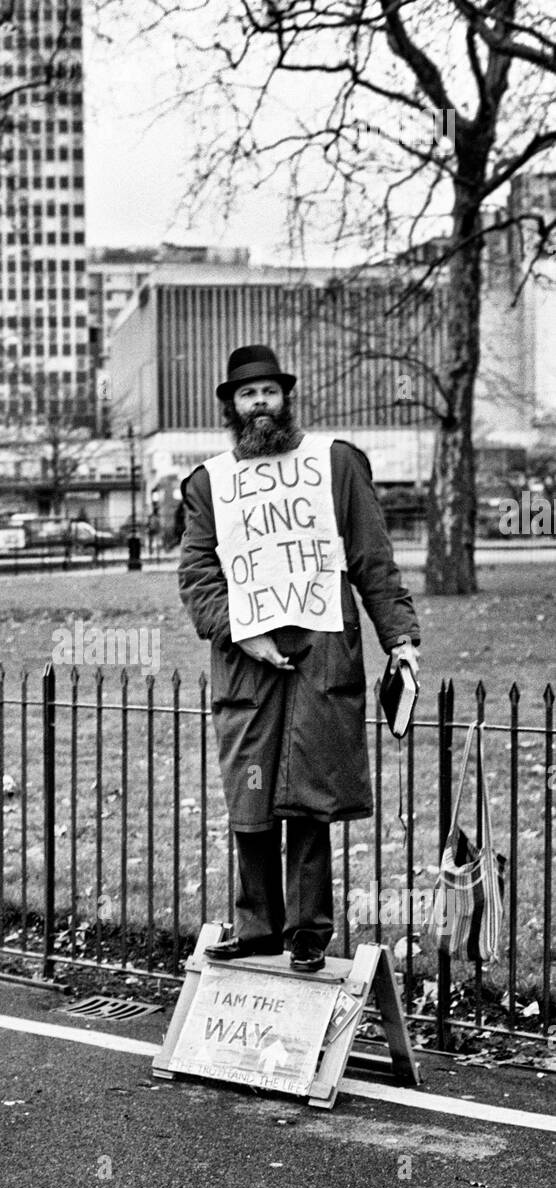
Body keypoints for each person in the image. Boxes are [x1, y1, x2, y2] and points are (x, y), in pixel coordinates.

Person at [178, 345, 420, 973]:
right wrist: (238, 630)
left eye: (269, 392)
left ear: (286, 398)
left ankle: (308, 930)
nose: (259, 403)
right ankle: (257, 925)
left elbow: (372, 557)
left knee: (309, 792)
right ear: (230, 405)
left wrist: (400, 637)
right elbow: (198, 571)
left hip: (322, 653)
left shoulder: (333, 464)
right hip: (247, 664)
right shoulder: (212, 482)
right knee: (252, 792)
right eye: (246, 394)